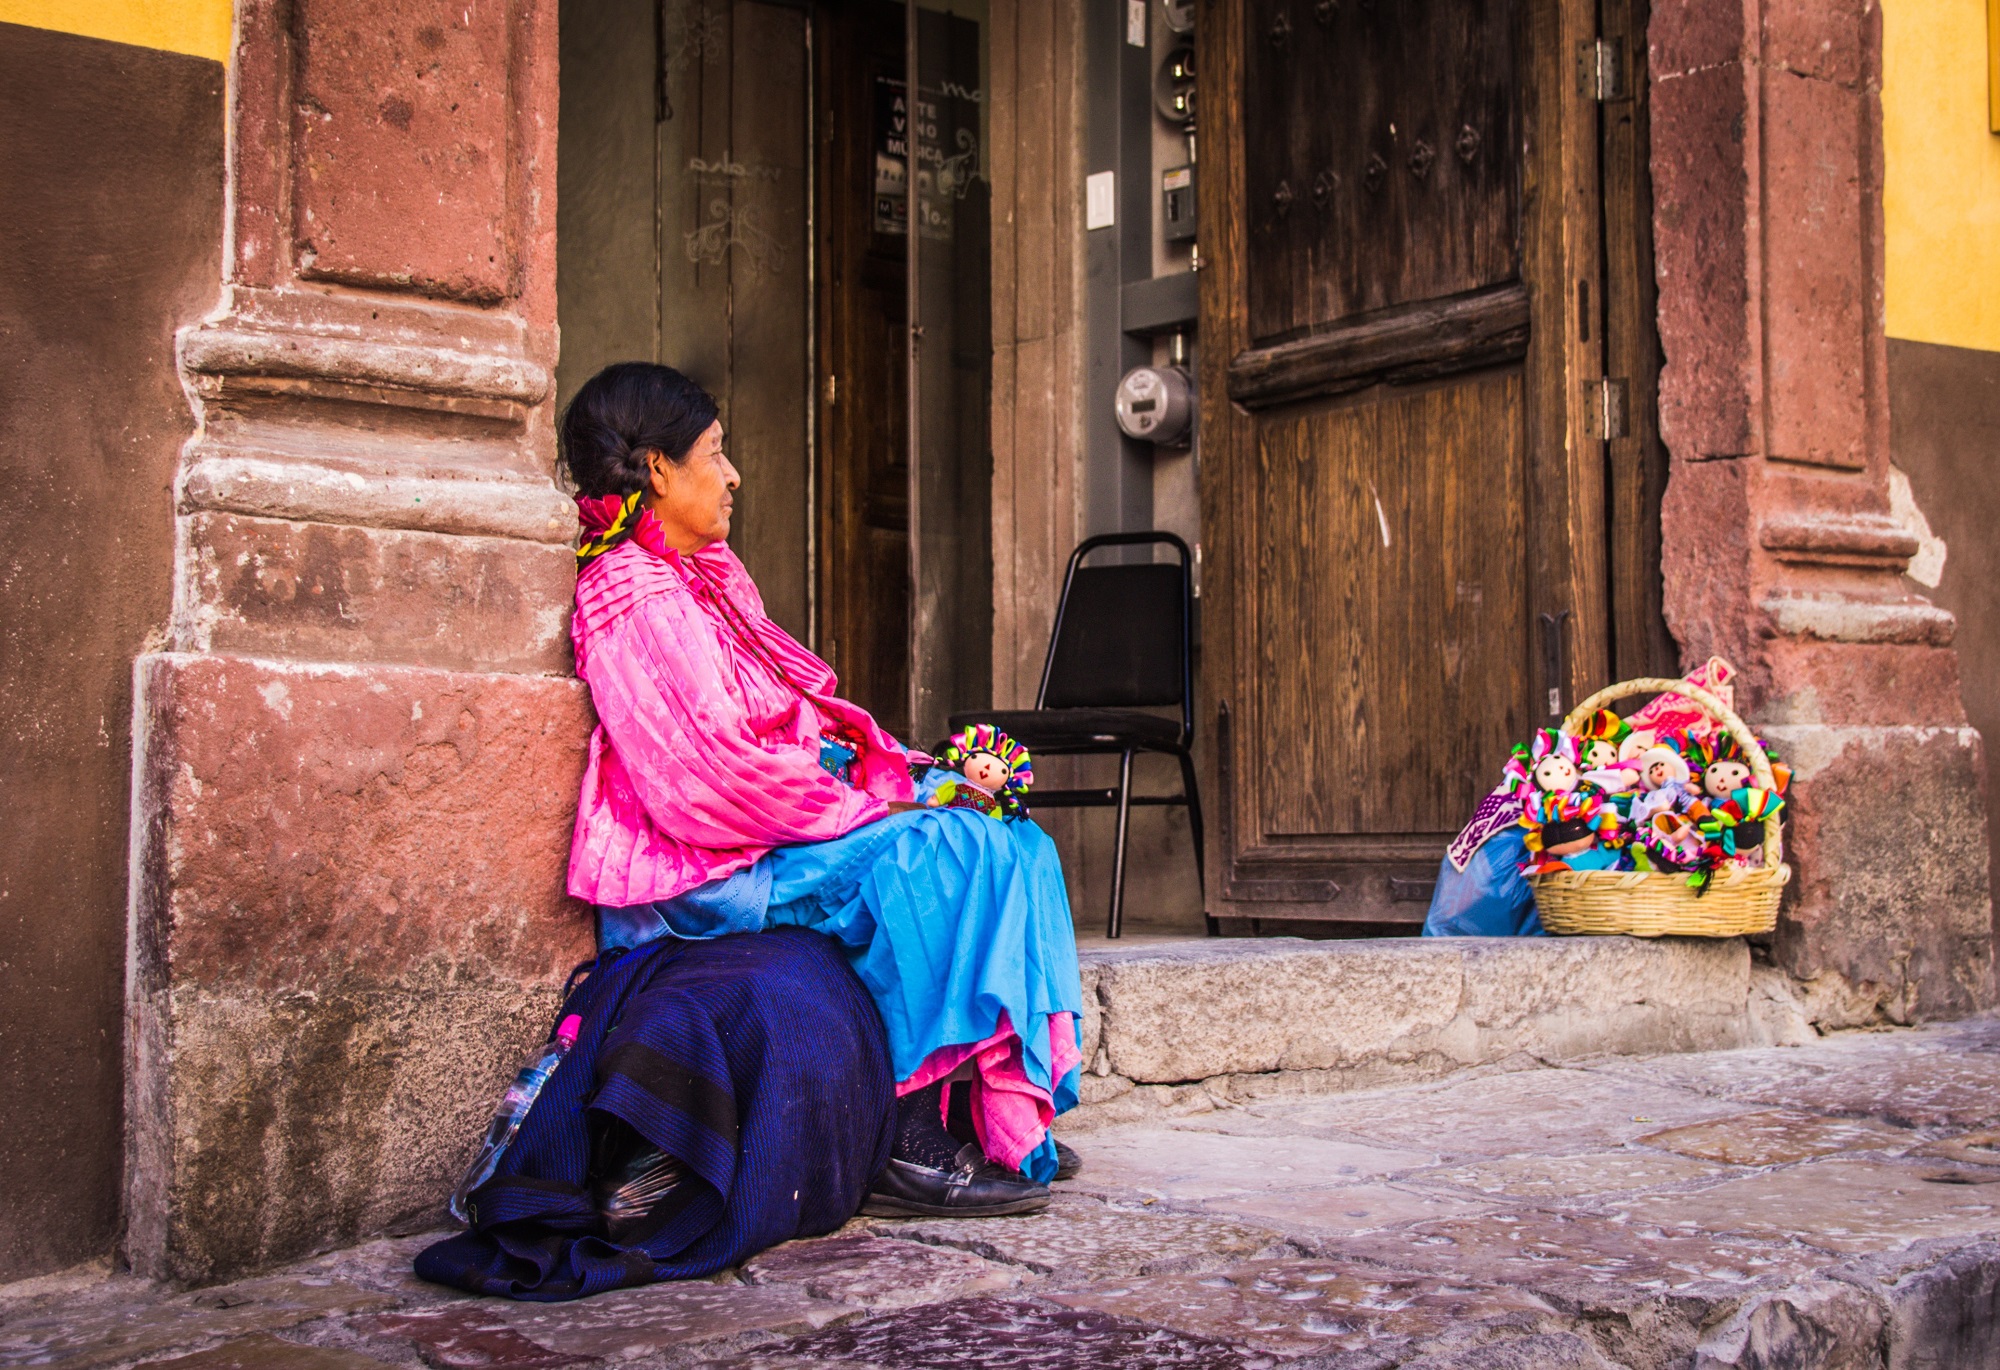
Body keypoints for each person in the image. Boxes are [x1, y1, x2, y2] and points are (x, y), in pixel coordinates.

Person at [562, 362, 1085, 1216]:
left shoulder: (707, 576)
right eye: (715, 454)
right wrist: (871, 806)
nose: (732, 476)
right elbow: (705, 782)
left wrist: (905, 773)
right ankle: (903, 1131)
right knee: (941, 854)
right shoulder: (632, 593)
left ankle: (994, 1115)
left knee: (1013, 838)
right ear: (658, 470)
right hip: (708, 866)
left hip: (777, 821)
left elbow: (789, 717)